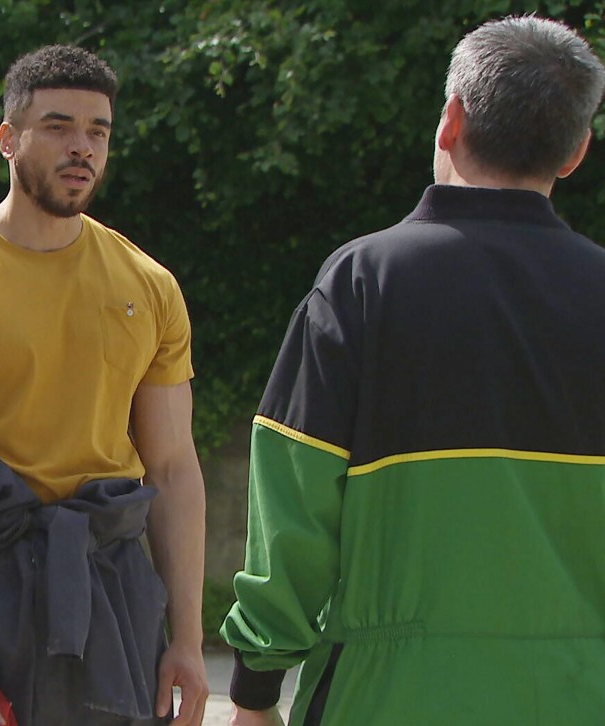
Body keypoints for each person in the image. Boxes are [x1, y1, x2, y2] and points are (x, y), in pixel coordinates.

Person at [221, 15, 605, 726]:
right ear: (576, 151)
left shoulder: (363, 281)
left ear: (450, 121)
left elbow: (295, 504)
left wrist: (255, 688)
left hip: (389, 697)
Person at [0, 44, 208, 726]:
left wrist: (190, 640)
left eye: (98, 131)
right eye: (58, 126)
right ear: (8, 139)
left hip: (108, 593)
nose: (81, 147)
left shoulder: (148, 286)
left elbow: (173, 469)